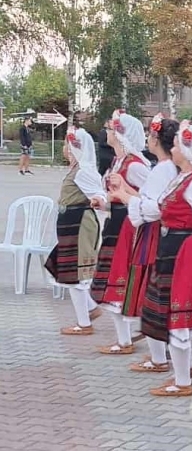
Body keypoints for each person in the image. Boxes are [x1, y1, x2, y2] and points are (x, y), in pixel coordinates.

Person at [110, 122, 192, 397]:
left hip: (187, 249)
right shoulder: (182, 178)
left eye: (179, 145)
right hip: (174, 246)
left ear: (190, 151)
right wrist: (126, 195)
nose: (174, 149)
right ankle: (182, 375)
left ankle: (183, 381)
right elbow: (158, 207)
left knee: (179, 314)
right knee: (169, 312)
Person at [109, 115, 181, 368]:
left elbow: (154, 207)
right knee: (156, 292)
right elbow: (150, 198)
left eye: (150, 135)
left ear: (156, 140)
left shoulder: (163, 169)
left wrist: (124, 196)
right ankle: (164, 353)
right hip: (156, 231)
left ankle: (161, 357)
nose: (147, 140)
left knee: (153, 293)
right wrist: (125, 191)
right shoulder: (167, 167)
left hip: (154, 232)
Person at [89, 111, 152, 355]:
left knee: (120, 282)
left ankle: (130, 338)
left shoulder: (134, 165)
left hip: (129, 227)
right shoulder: (119, 162)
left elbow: (151, 199)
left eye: (111, 129)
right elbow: (117, 197)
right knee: (112, 282)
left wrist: (123, 193)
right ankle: (125, 338)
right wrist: (104, 203)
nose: (108, 133)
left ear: (121, 135)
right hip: (115, 223)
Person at [46, 127, 105, 336]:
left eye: (67, 144)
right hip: (71, 222)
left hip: (80, 222)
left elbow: (99, 193)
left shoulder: (83, 171)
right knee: (65, 268)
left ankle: (84, 323)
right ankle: (90, 308)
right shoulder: (76, 169)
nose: (64, 148)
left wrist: (98, 199)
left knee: (75, 273)